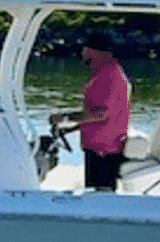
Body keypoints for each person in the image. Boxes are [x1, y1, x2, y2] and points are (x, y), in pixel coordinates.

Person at [49, 30, 130, 190]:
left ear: (91, 50)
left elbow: (100, 113)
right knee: (96, 192)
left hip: (103, 149)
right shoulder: (108, 73)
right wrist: (71, 127)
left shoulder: (108, 77)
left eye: (83, 49)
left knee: (101, 194)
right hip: (101, 146)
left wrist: (65, 118)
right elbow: (101, 114)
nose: (82, 53)